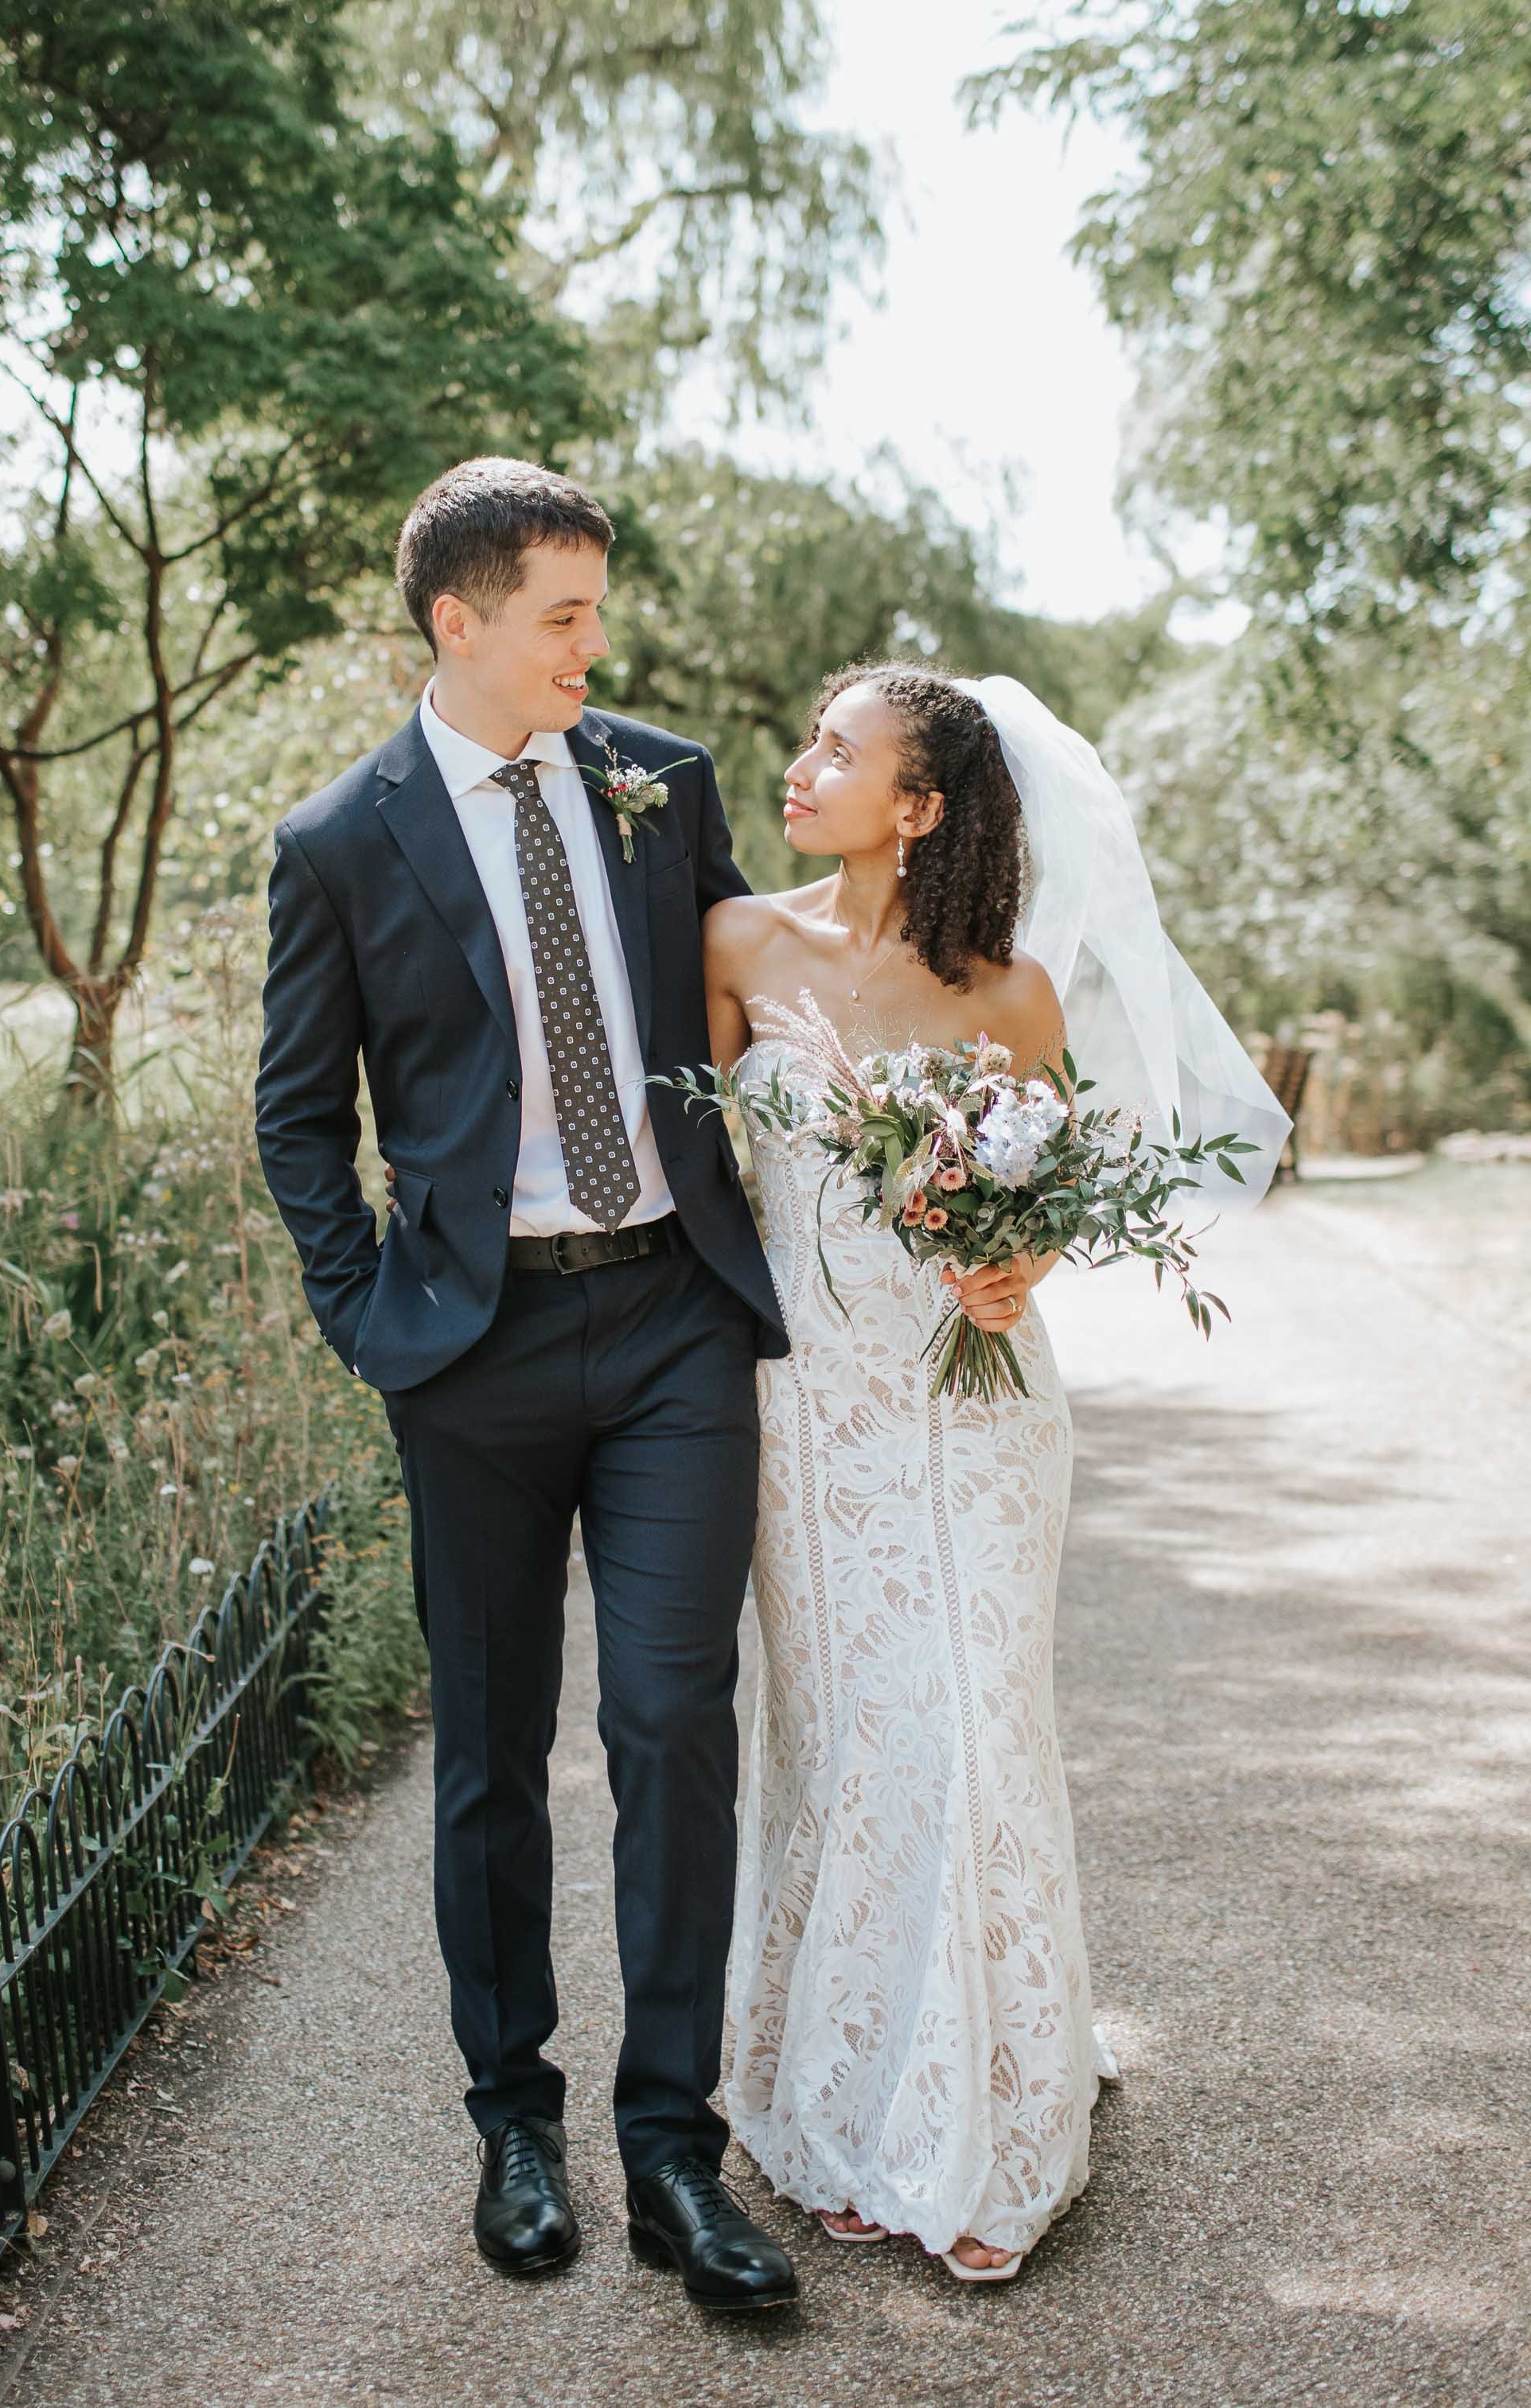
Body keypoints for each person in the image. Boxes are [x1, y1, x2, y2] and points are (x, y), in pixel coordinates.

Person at [255, 456, 799, 2313]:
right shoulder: (340, 837)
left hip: (671, 1325)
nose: (593, 644)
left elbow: (760, 996)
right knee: (488, 1751)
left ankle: (671, 2145)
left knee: (670, 1724)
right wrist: (368, 1317)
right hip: (468, 1350)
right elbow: (296, 1119)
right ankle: (513, 2114)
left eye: (594, 610)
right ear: (458, 620)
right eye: (562, 613)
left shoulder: (661, 783)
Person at [704, 662, 1287, 2279]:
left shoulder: (1011, 996)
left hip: (977, 1409)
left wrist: (1013, 1264)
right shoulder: (739, 944)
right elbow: (701, 1191)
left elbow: (1031, 1199)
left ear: (922, 806)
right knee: (850, 1737)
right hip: (813, 1422)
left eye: (843, 749)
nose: (804, 763)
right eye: (810, 734)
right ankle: (832, 2099)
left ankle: (992, 2119)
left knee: (968, 1713)